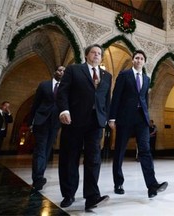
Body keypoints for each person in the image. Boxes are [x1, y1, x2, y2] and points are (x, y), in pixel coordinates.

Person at [56, 44, 112, 210]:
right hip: (74, 120)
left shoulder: (107, 76)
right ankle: (68, 194)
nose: (96, 55)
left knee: (94, 159)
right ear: (87, 55)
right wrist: (64, 110)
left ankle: (92, 197)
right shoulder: (74, 70)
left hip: (96, 122)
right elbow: (63, 92)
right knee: (69, 157)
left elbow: (106, 100)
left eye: (99, 53)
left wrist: (107, 118)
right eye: (93, 52)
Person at [108, 50, 168, 198]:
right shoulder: (124, 75)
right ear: (133, 60)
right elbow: (116, 97)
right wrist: (112, 118)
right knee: (120, 151)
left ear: (144, 62)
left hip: (141, 119)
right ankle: (118, 183)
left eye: (141, 58)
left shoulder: (147, 79)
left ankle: (152, 185)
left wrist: (147, 116)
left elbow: (144, 100)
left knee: (145, 150)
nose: (139, 60)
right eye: (137, 58)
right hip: (125, 118)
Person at [28, 65, 65, 191]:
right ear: (55, 72)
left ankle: (39, 175)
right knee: (40, 149)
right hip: (41, 120)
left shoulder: (66, 88)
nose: (62, 72)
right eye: (60, 70)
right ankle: (38, 178)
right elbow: (35, 104)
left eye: (64, 71)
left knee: (47, 149)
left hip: (55, 123)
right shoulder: (44, 85)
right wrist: (30, 121)